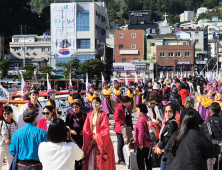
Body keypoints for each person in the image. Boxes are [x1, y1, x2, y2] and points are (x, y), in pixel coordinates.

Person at [82, 97, 116, 170]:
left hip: (101, 140)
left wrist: (97, 137)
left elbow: (105, 129)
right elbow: (86, 128)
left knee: (100, 160)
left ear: (100, 104)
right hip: (91, 140)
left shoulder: (103, 115)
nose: (95, 104)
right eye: (93, 103)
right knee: (91, 160)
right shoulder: (89, 115)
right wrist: (90, 136)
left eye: (96, 103)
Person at [156, 103, 178, 170]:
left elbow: (168, 137)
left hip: (169, 151)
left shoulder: (173, 123)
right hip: (166, 150)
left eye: (170, 111)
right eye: (166, 111)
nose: (167, 113)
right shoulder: (167, 122)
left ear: (173, 112)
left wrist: (160, 146)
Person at [201, 102, 222, 170]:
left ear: (210, 112)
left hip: (210, 152)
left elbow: (202, 138)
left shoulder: (205, 124)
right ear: (220, 111)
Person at [113, 96, 133, 164]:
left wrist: (131, 126)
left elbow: (129, 117)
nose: (129, 103)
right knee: (120, 143)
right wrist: (122, 123)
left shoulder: (128, 108)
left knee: (128, 142)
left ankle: (126, 157)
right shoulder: (119, 108)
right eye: (128, 102)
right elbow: (115, 118)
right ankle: (121, 158)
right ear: (125, 103)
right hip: (120, 129)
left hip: (127, 128)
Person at [134, 104, 152, 170]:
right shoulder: (148, 118)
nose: (137, 112)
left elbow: (140, 133)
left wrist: (140, 144)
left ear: (142, 111)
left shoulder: (141, 120)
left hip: (143, 145)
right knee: (148, 161)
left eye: (138, 110)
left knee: (140, 162)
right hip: (149, 143)